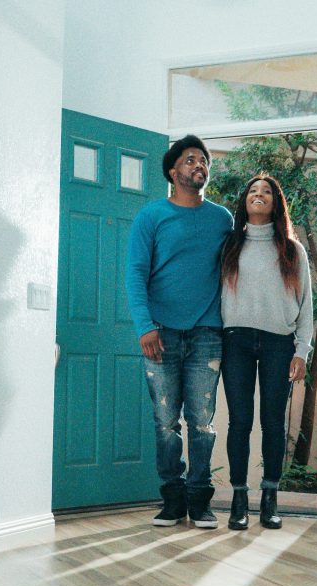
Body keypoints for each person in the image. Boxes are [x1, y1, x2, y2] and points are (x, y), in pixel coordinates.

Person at [126, 135, 233, 528]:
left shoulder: (222, 219)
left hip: (208, 333)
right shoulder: (151, 216)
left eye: (203, 160)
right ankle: (172, 500)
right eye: (190, 160)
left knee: (202, 422)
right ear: (173, 172)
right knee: (166, 422)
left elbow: (234, 271)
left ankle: (200, 500)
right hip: (161, 334)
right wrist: (145, 327)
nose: (198, 165)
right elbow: (135, 273)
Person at [219, 174, 313, 530]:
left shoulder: (292, 250)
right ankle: (239, 501)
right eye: (253, 191)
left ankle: (270, 500)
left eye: (267, 192)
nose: (259, 195)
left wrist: (301, 351)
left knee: (272, 422)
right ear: (245, 201)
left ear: (276, 203)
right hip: (236, 342)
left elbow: (306, 307)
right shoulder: (229, 245)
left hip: (279, 343)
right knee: (239, 421)